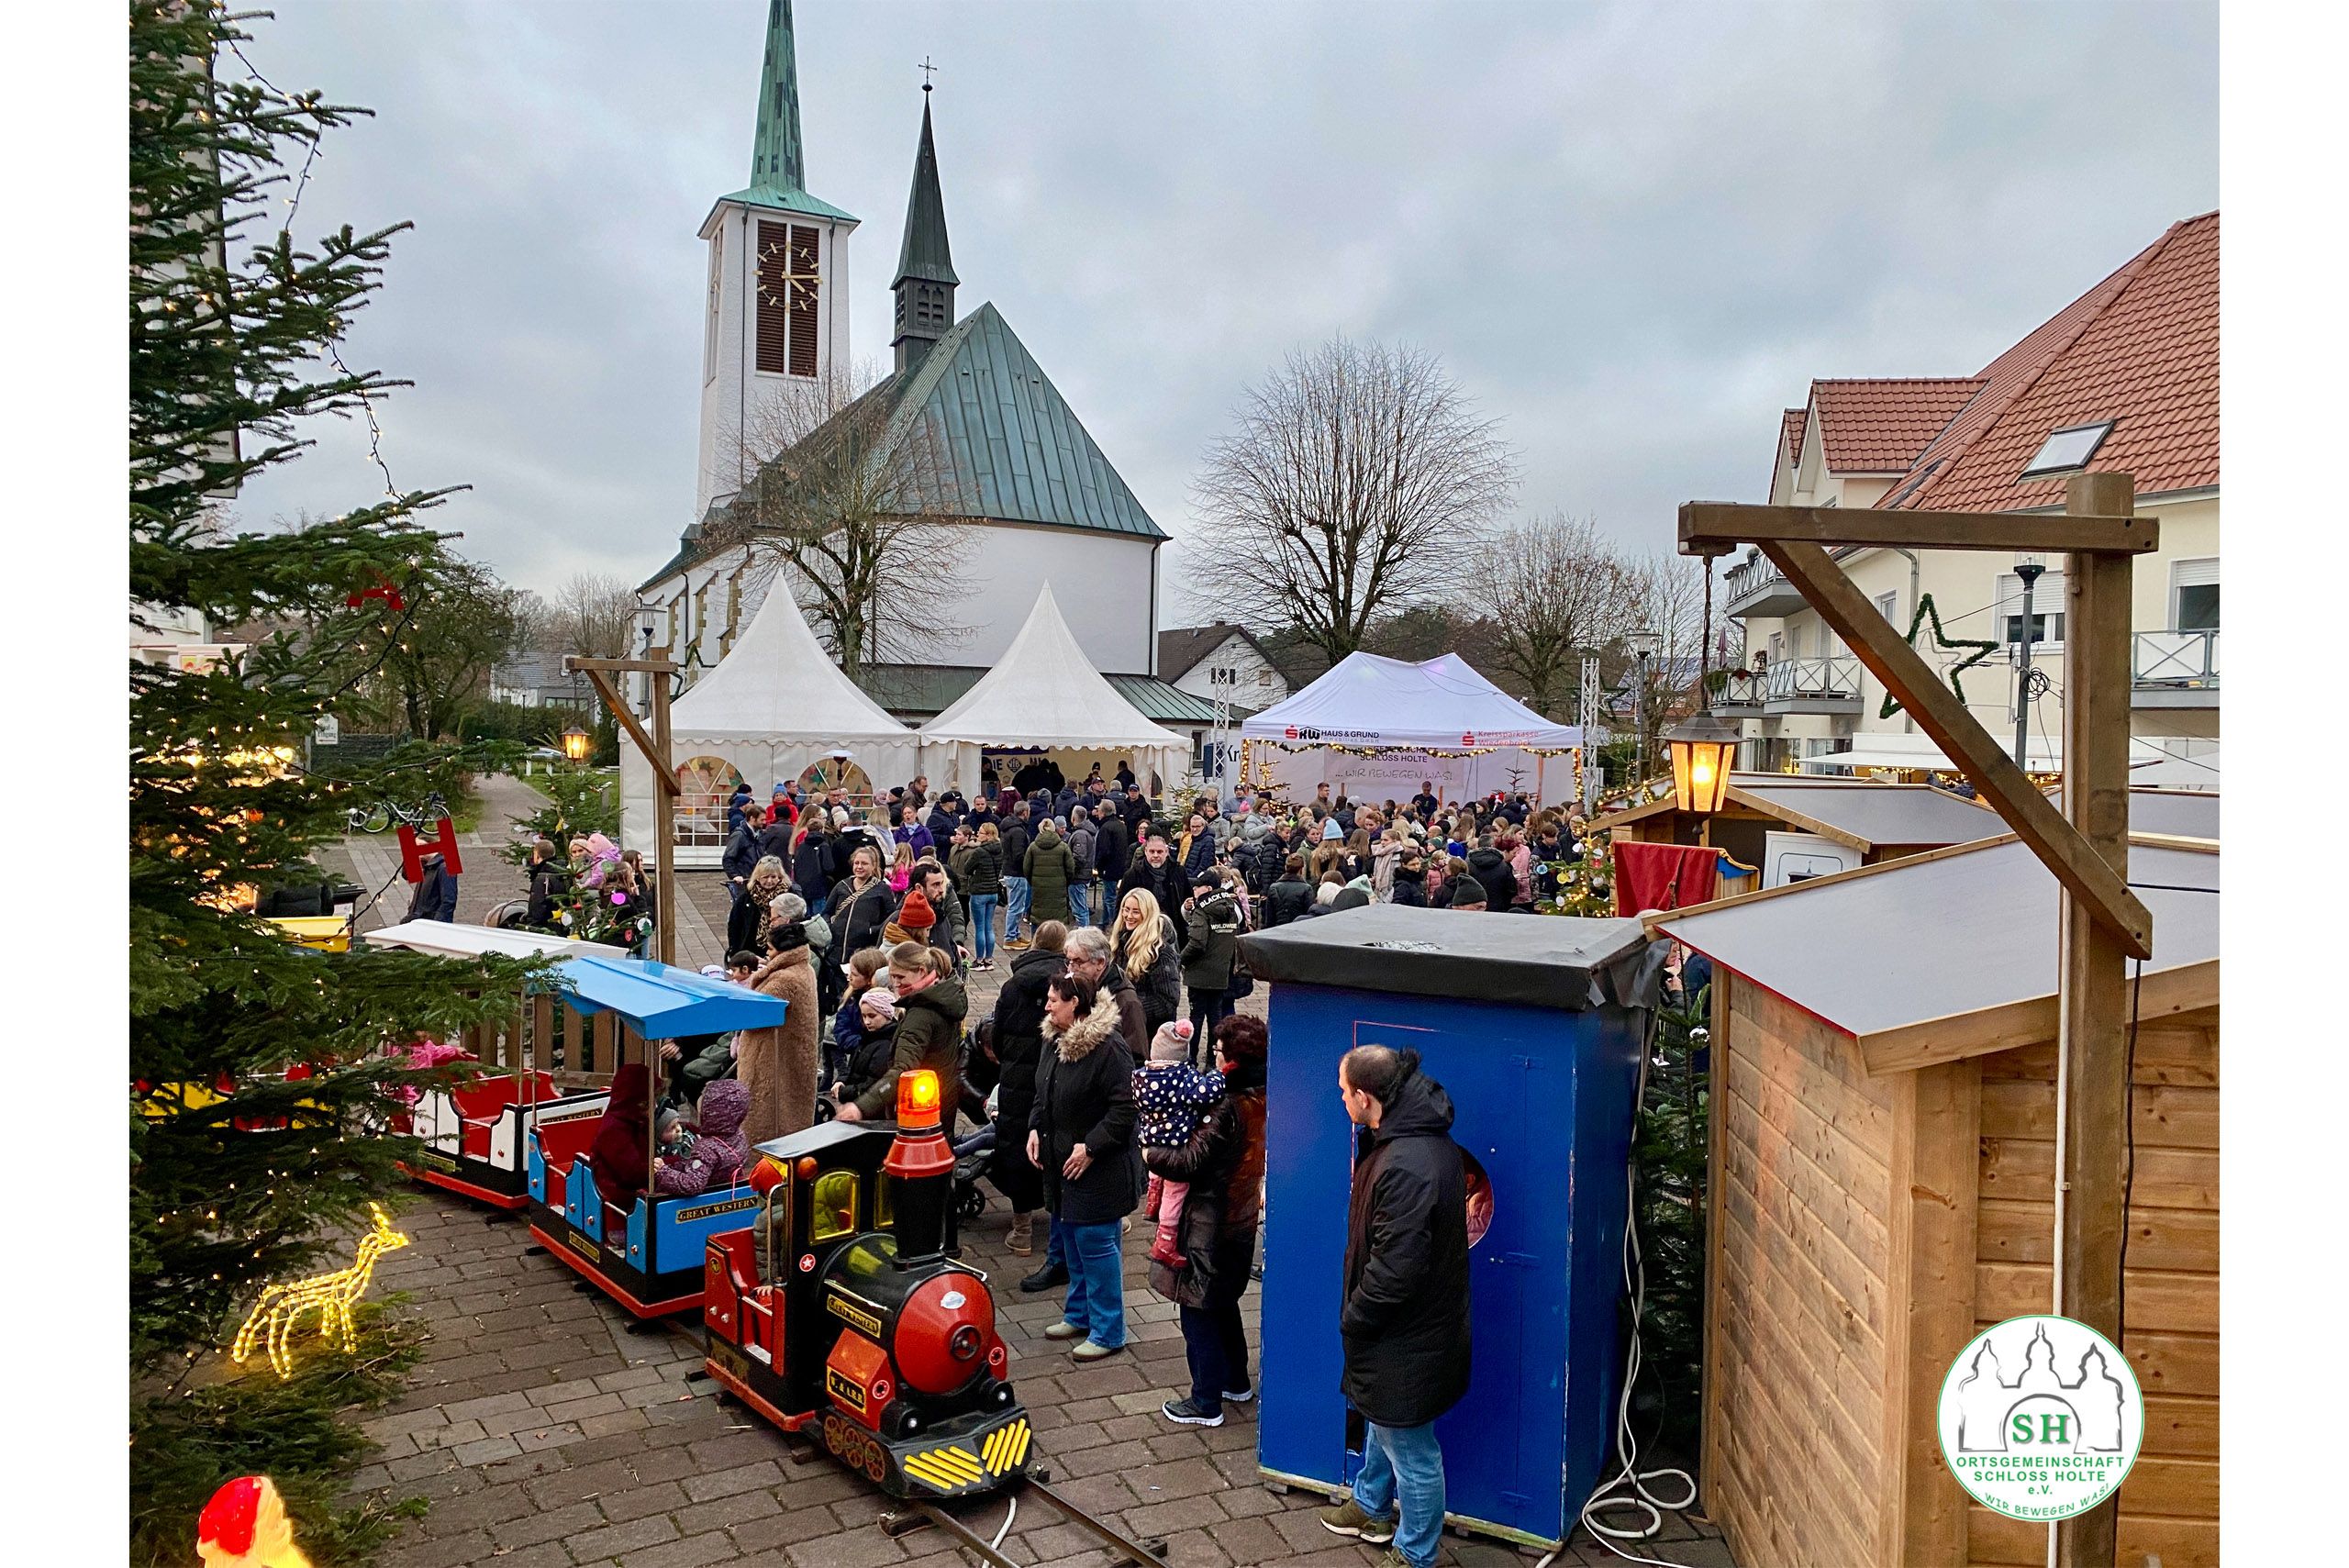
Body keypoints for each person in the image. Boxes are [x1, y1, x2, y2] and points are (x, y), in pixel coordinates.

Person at [1317, 1047, 1473, 1568]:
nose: (1340, 1098)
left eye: (1343, 1091)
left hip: (1404, 1331)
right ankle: (1371, 1505)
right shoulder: (1414, 1143)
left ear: (1366, 1097)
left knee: (1413, 1449)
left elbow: (1397, 1268)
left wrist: (1355, 1318)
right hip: (1410, 1328)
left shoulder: (1406, 1162)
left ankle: (1416, 1554)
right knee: (1385, 1419)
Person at [1150, 1014, 1270, 1429]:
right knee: (1224, 1302)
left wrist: (1151, 1153)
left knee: (1197, 1308)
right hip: (1240, 1218)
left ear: (1234, 1058)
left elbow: (1189, 1162)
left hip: (1208, 1222)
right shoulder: (1262, 1095)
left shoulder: (1227, 1106)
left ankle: (1205, 1401)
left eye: (1218, 1051)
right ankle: (1236, 1381)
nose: (1213, 1057)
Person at [1030, 973, 1138, 1362]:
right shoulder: (1053, 1039)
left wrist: (1091, 1147)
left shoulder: (1110, 1048)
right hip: (1062, 1164)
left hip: (1100, 1169)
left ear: (1075, 1003)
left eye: (1054, 1000)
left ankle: (1109, 1331)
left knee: (1095, 1244)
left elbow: (1125, 1107)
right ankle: (1079, 1314)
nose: (1047, 1006)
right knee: (1072, 1240)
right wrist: (1035, 1128)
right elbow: (1043, 1089)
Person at [987, 920, 1068, 1257]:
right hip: (1054, 1074)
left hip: (1017, 1077)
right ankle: (1058, 1218)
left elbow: (997, 1033)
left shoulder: (1011, 985)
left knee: (1016, 1142)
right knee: (1056, 1142)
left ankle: (1021, 1228)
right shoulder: (1067, 985)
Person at [840, 943, 967, 1125]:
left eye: (900, 977)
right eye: (892, 977)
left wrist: (862, 1106)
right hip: (941, 1101)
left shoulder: (920, 1015)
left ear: (921, 971)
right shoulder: (945, 997)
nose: (895, 983)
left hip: (918, 1110)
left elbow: (903, 1070)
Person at [1134, 1021, 1222, 1267]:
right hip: (1175, 1145)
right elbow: (1205, 1092)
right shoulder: (1180, 1078)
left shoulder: (1140, 1077)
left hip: (1151, 1143)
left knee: (1158, 1173)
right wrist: (1217, 1076)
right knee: (1176, 1192)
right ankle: (1165, 1241)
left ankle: (1153, 1197)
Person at [735, 904, 820, 1147]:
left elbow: (751, 1016)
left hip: (772, 1061)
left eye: (770, 950)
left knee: (768, 1122)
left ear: (784, 951)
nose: (767, 955)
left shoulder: (783, 980)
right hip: (790, 1056)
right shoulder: (803, 970)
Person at [585, 1062, 653, 1239]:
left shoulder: (636, 1119)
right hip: (616, 1190)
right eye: (646, 1103)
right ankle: (620, 1231)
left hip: (636, 1179)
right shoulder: (614, 1129)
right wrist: (664, 1165)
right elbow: (631, 1172)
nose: (651, 1108)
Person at [653, 1079, 750, 1197]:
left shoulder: (706, 1148)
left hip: (708, 1198)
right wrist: (676, 1166)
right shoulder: (738, 1135)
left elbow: (692, 1184)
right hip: (727, 1191)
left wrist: (663, 1171)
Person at [1180, 872, 1241, 1047]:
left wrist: (1180, 959)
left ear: (1208, 889)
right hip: (1221, 972)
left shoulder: (1202, 909)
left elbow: (1198, 942)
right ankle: (1213, 1058)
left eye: (1197, 887)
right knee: (1215, 1017)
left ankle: (1191, 1059)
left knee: (1196, 1017)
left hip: (1199, 974)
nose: (1193, 890)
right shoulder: (1231, 907)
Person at [1111, 888, 1183, 1036]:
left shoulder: (1160, 952)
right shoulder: (1121, 942)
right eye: (1126, 910)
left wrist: (1130, 1008)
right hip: (1126, 1027)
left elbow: (1168, 1001)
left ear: (1148, 914)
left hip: (1151, 1032)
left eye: (1136, 912)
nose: (1129, 916)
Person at [1119, 833, 1189, 950]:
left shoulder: (1178, 871)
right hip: (1141, 931)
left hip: (1173, 930)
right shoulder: (1133, 875)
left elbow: (1187, 896)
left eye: (1159, 852)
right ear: (1146, 852)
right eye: (1152, 851)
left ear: (1166, 852)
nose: (1156, 855)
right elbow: (1121, 905)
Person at [827, 845, 894, 962]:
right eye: (856, 863)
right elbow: (827, 911)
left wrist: (871, 930)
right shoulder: (842, 886)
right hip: (836, 950)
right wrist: (831, 926)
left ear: (873, 865)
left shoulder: (882, 889)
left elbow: (890, 918)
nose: (859, 867)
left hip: (863, 951)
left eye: (864, 863)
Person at [957, 821, 1006, 970]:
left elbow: (967, 869)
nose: (978, 835)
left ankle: (979, 960)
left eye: (981, 832)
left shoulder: (979, 852)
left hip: (979, 892)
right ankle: (989, 960)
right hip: (993, 892)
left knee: (979, 928)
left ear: (989, 835)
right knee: (988, 927)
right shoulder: (1000, 850)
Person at [727, 855, 790, 958]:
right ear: (758, 877)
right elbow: (734, 925)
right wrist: (735, 952)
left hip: (779, 952)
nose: (769, 881)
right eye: (765, 877)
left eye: (773, 877)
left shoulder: (789, 896)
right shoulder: (746, 897)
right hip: (750, 952)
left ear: (780, 877)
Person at [1024, 818, 1079, 931]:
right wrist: (1064, 882)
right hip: (1058, 889)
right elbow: (1070, 869)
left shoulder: (1033, 847)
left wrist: (1033, 882)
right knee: (1057, 922)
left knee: (1037, 919)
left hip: (1038, 888)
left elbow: (1026, 869)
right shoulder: (1063, 847)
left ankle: (1036, 944)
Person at [1000, 803, 1034, 950]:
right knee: (1016, 907)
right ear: (1025, 812)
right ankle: (1010, 937)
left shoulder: (1008, 827)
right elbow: (1019, 855)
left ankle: (1015, 933)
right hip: (1017, 873)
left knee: (1015, 905)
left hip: (1010, 871)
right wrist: (1028, 864)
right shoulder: (1018, 831)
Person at [405, 849, 458, 923]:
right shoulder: (426, 865)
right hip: (419, 921)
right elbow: (405, 874)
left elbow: (448, 901)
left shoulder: (445, 868)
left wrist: (437, 924)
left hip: (430, 923)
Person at [1265, 853, 1314, 928]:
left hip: (1278, 930)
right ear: (1301, 869)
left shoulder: (1273, 888)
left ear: (1285, 867)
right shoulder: (1306, 888)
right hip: (1299, 930)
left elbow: (1269, 918)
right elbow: (1309, 916)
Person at [525, 837, 564, 929]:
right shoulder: (563, 871)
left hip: (547, 928)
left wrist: (532, 927)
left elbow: (538, 907)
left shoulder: (542, 878)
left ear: (537, 855)